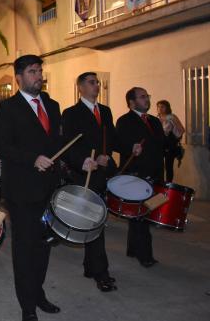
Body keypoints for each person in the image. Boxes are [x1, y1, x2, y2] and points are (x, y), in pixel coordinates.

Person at [0, 54, 63, 321]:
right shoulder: (7, 109)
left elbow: (57, 142)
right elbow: (3, 146)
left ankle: (38, 293)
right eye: (33, 72)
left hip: (49, 188)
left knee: (44, 244)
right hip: (21, 191)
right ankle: (27, 306)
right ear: (19, 77)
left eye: (40, 71)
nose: (38, 76)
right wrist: (32, 158)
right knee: (24, 248)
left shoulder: (52, 105)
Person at [61, 72, 118, 292]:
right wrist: (84, 159)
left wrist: (107, 155)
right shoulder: (71, 113)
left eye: (97, 82)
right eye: (92, 82)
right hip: (83, 173)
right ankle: (101, 273)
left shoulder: (105, 111)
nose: (96, 86)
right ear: (81, 88)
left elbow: (109, 138)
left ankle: (89, 266)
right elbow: (67, 144)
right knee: (96, 222)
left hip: (101, 173)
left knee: (95, 221)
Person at [116, 87, 165, 268]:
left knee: (141, 214)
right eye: (142, 97)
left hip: (155, 173)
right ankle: (145, 255)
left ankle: (133, 248)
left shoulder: (154, 121)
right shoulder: (124, 121)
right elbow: (121, 143)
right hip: (136, 175)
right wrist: (131, 147)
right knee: (141, 216)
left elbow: (161, 145)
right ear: (132, 102)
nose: (147, 99)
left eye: (147, 96)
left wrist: (173, 140)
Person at [157, 100, 185, 183]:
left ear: (167, 108)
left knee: (168, 167)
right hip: (160, 145)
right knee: (159, 165)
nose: (160, 109)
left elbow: (181, 130)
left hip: (170, 146)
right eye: (158, 107)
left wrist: (175, 137)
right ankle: (160, 184)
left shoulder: (171, 117)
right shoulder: (157, 118)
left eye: (162, 107)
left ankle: (168, 185)